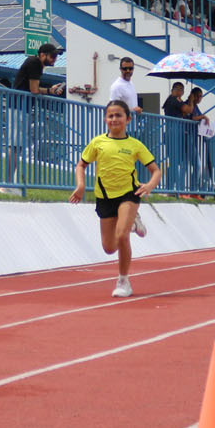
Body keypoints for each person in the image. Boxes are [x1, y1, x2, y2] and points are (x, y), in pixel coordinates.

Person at [69, 99, 161, 298]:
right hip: (104, 196)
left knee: (122, 235)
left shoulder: (135, 145)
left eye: (118, 115)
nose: (114, 119)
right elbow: (81, 165)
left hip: (129, 194)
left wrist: (150, 185)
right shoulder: (98, 142)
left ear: (128, 119)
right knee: (109, 248)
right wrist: (81, 185)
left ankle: (123, 280)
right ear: (105, 120)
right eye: (110, 115)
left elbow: (155, 170)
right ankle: (134, 223)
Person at [0, 42, 65, 194]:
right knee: (15, 145)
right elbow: (34, 90)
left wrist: (49, 90)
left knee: (17, 146)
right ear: (42, 55)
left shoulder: (34, 63)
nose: (54, 60)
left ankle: (10, 183)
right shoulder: (35, 63)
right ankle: (7, 184)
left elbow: (33, 89)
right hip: (19, 106)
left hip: (20, 106)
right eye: (52, 56)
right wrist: (48, 90)